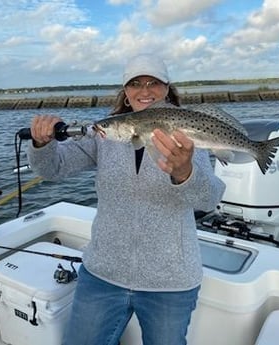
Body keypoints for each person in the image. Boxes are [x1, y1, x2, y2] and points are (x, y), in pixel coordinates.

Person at [27, 53, 225, 345]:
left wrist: (186, 173)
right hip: (102, 274)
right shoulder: (103, 133)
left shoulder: (186, 134)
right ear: (126, 92)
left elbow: (209, 199)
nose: (144, 90)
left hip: (170, 281)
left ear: (167, 88)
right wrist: (41, 144)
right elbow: (52, 168)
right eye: (135, 84)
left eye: (153, 82)